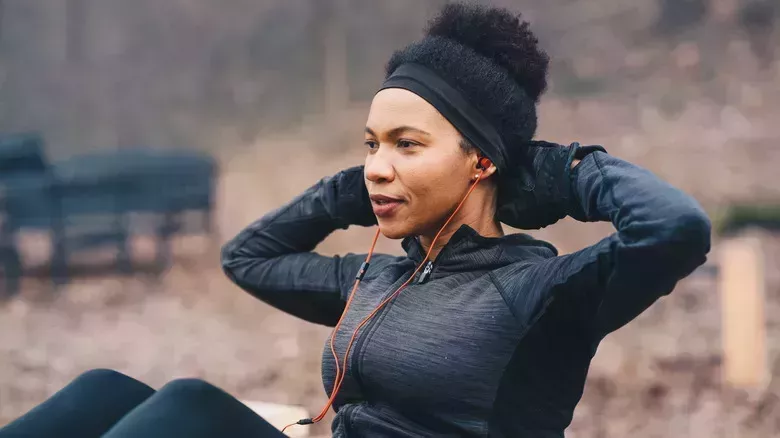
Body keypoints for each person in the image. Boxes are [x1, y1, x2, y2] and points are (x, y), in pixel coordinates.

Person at [0, 3, 711, 437]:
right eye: (370, 144)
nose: (376, 164)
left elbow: (674, 227)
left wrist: (561, 172)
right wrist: (354, 188)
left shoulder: (544, 293)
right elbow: (248, 257)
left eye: (408, 144)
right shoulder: (378, 277)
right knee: (103, 390)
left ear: (482, 161)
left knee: (189, 405)